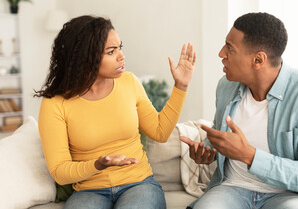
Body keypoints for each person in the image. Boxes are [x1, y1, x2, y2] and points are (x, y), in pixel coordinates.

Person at [35, 15, 196, 209]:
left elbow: (160, 132)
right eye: (111, 51)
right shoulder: (56, 102)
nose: (121, 56)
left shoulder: (129, 82)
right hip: (89, 191)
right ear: (85, 57)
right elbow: (59, 171)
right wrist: (98, 164)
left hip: (139, 184)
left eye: (120, 47)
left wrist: (181, 86)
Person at [181, 12, 298, 209]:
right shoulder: (226, 86)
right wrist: (208, 150)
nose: (221, 53)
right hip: (231, 188)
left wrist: (250, 156)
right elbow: (218, 134)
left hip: (286, 196)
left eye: (230, 48)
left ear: (258, 60)